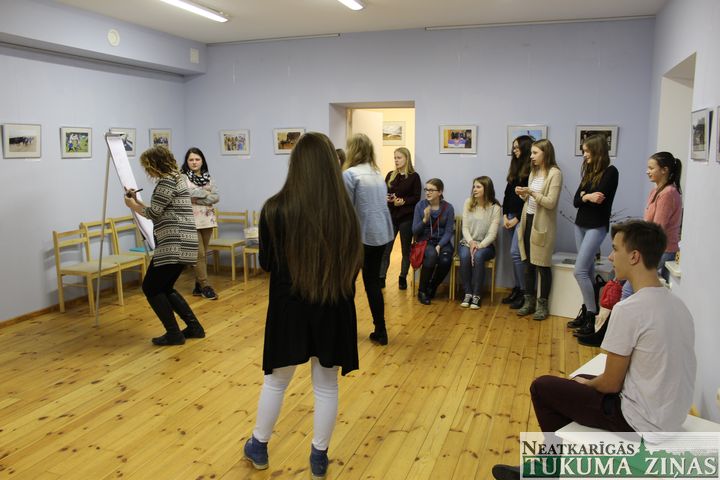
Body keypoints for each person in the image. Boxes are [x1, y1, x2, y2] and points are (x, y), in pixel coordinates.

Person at [491, 220, 696, 480]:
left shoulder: (630, 309)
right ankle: (553, 461)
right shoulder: (678, 305)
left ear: (634, 256)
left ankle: (547, 470)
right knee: (577, 382)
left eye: (615, 249)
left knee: (542, 388)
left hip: (641, 424)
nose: (610, 257)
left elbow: (610, 384)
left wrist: (586, 385)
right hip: (671, 417)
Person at [243, 132, 363, 479]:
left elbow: (267, 262)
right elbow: (355, 262)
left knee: (276, 382)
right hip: (332, 304)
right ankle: (319, 457)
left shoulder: (275, 209)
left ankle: (259, 445)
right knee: (326, 386)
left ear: (295, 164)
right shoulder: (344, 212)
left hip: (289, 307)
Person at [123, 146, 205, 345]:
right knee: (165, 287)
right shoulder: (177, 178)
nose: (147, 171)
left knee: (150, 287)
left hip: (173, 243)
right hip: (184, 242)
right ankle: (194, 328)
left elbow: (153, 213)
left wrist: (131, 205)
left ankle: (174, 334)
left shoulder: (166, 182)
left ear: (155, 165)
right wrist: (137, 201)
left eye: (147, 167)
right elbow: (160, 208)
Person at [342, 134, 394, 345]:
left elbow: (346, 209)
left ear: (352, 150)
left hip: (360, 237)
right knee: (372, 283)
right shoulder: (376, 174)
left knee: (347, 284)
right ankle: (381, 330)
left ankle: (346, 329)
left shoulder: (350, 174)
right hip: (380, 235)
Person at [567, 135, 619, 335]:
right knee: (587, 271)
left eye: (587, 151)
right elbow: (576, 201)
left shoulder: (611, 172)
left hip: (597, 226)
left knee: (579, 271)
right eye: (584, 151)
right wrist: (587, 196)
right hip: (580, 225)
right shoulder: (589, 172)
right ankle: (586, 311)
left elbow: (600, 200)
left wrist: (584, 196)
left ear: (598, 151)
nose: (584, 154)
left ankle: (592, 315)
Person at [621, 152, 683, 299]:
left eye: (651, 168)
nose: (647, 171)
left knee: (628, 289)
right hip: (653, 247)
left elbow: (656, 229)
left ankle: (621, 314)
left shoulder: (668, 193)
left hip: (662, 249)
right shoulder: (656, 190)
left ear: (664, 170)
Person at [515, 139, 562, 321]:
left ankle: (542, 305)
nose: (531, 156)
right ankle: (529, 302)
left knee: (542, 265)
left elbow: (550, 202)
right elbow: (531, 200)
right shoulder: (534, 172)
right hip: (528, 220)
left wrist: (531, 192)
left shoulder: (555, 174)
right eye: (531, 153)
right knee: (528, 264)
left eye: (535, 153)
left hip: (543, 225)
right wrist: (523, 194)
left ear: (545, 153)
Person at [379, 147, 422, 291]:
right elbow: (384, 193)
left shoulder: (414, 177)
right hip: (391, 217)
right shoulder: (390, 175)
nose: (396, 160)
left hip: (406, 218)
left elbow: (416, 197)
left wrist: (403, 201)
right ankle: (381, 277)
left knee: (405, 250)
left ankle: (403, 277)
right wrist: (387, 198)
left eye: (399, 158)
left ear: (406, 158)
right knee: (386, 249)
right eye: (395, 158)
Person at [180, 147, 220, 300]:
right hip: (190, 220)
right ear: (187, 161)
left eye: (197, 159)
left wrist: (197, 200)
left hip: (207, 219)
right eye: (191, 159)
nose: (194, 162)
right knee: (199, 254)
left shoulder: (208, 177)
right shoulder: (182, 177)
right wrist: (204, 193)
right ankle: (205, 285)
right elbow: (185, 193)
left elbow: (216, 197)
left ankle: (197, 286)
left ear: (202, 161)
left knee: (203, 253)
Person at [458, 176, 501, 309]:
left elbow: (492, 235)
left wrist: (479, 246)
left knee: (478, 256)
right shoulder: (468, 202)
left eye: (478, 187)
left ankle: (476, 295)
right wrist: (471, 242)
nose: (474, 189)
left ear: (486, 189)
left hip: (486, 245)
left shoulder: (495, 208)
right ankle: (468, 293)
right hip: (467, 242)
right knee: (464, 256)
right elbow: (464, 228)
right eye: (474, 186)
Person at [501, 135, 533, 309]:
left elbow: (530, 200)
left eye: (517, 147)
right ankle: (517, 288)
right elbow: (507, 194)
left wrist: (517, 219)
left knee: (517, 253)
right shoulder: (515, 167)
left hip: (522, 217)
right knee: (515, 256)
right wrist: (505, 215)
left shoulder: (532, 170)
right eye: (513, 147)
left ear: (525, 148)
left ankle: (524, 291)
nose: (514, 151)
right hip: (510, 216)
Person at [412, 178, 455, 305]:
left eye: (431, 190)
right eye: (426, 189)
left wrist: (440, 245)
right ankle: (422, 291)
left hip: (442, 241)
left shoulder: (448, 208)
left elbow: (448, 231)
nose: (427, 192)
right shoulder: (420, 206)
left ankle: (432, 286)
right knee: (431, 255)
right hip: (426, 241)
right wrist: (424, 220)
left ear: (440, 192)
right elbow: (414, 231)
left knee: (446, 260)